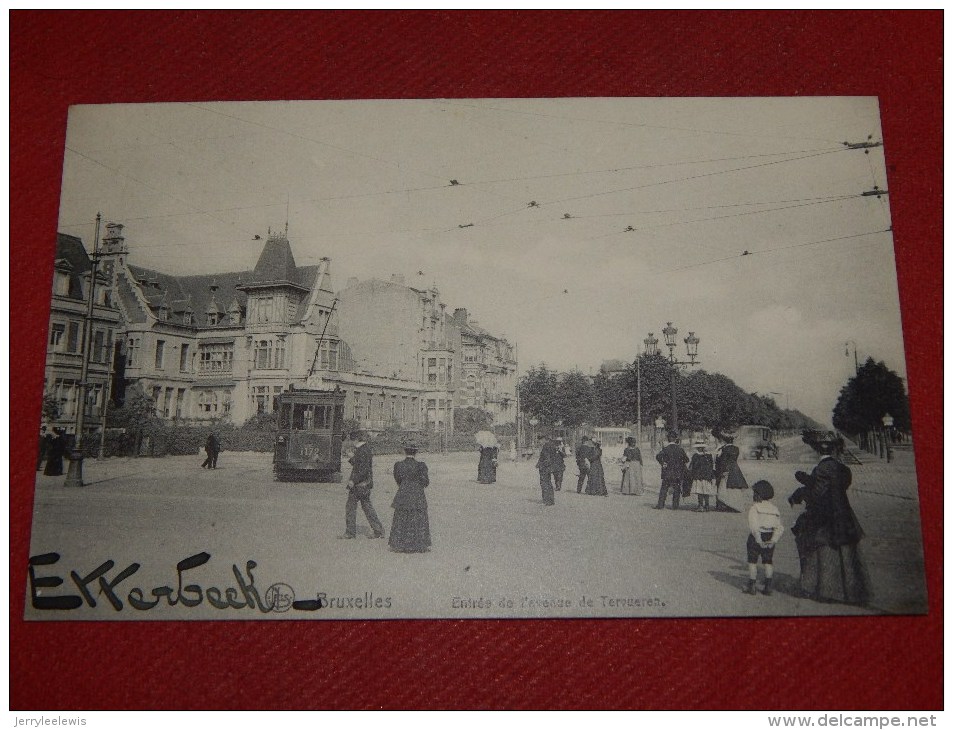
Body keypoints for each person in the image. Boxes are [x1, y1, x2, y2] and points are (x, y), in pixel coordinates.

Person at [789, 439, 871, 605]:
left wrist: (800, 493)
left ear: (817, 452)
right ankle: (852, 592)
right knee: (847, 553)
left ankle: (827, 591)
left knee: (823, 551)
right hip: (843, 513)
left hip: (824, 516)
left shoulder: (821, 468)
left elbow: (818, 493)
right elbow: (835, 487)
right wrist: (807, 480)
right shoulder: (843, 469)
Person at [339, 431, 385, 540]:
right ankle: (378, 530)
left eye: (350, 440)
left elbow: (362, 469)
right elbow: (360, 464)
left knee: (350, 507)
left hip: (359, 485)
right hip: (365, 484)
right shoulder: (365, 449)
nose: (350, 442)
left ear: (355, 440)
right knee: (367, 507)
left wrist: (353, 481)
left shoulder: (362, 450)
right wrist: (352, 458)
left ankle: (350, 532)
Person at [389, 443, 431, 553]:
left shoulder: (398, 465)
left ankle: (400, 544)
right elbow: (426, 482)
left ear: (405, 451)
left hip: (403, 493)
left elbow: (397, 479)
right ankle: (418, 544)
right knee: (418, 518)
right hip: (417, 495)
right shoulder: (421, 465)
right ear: (416, 452)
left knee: (401, 517)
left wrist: (405, 486)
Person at [744, 480, 784, 595]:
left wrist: (758, 539)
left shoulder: (755, 508)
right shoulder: (774, 509)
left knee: (752, 561)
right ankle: (768, 587)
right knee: (768, 562)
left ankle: (751, 585)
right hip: (770, 536)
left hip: (756, 537)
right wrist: (773, 540)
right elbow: (779, 527)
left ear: (758, 494)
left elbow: (754, 526)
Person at [714, 433, 748, 512]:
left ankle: (725, 505)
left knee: (724, 488)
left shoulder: (724, 449)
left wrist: (721, 470)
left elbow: (723, 461)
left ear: (725, 441)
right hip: (735, 469)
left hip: (727, 469)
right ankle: (735, 505)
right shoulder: (736, 448)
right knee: (734, 488)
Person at [655, 431, 688, 510]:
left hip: (667, 472)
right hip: (677, 472)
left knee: (664, 488)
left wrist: (663, 463)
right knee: (677, 488)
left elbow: (658, 456)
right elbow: (686, 459)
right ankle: (675, 506)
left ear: (668, 439)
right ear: (675, 439)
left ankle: (660, 505)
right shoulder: (680, 449)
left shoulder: (665, 449)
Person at [689, 441, 716, 511]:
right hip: (707, 476)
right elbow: (711, 466)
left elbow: (693, 466)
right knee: (706, 491)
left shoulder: (695, 456)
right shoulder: (709, 456)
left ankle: (700, 506)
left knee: (700, 491)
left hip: (698, 476)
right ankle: (707, 506)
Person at [535, 435, 559, 506]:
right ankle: (551, 500)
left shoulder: (546, 447)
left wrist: (540, 465)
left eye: (539, 440)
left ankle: (546, 500)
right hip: (549, 468)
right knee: (549, 483)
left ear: (543, 439)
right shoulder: (552, 445)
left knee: (544, 484)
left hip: (545, 468)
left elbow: (546, 459)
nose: (539, 442)